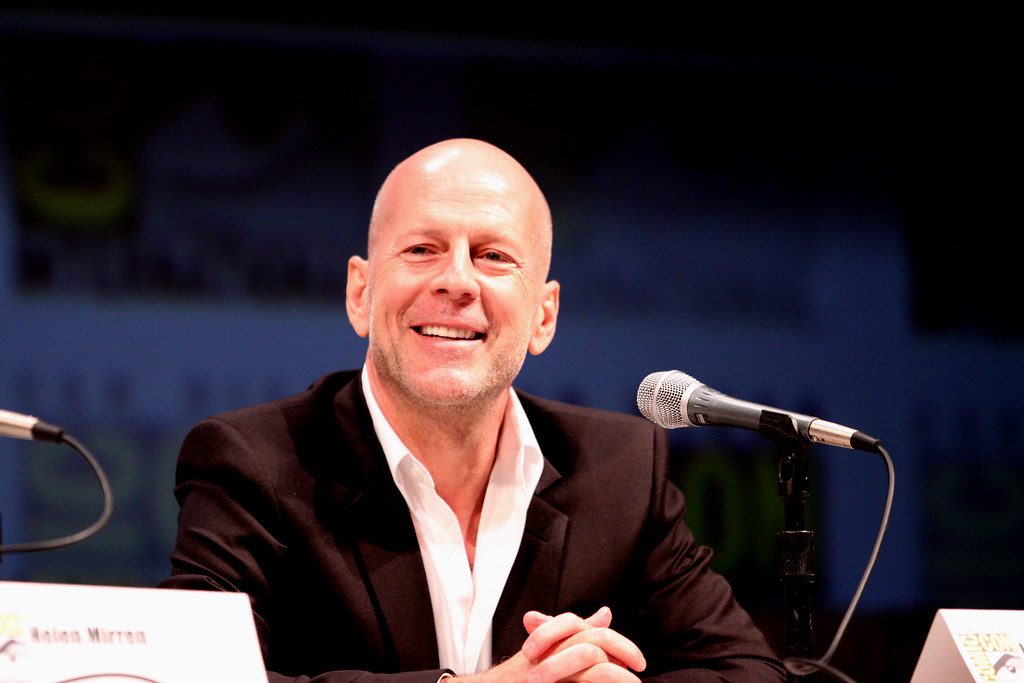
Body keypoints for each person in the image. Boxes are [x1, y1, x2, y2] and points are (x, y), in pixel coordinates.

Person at [158, 137, 787, 681]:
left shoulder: (619, 469)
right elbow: (189, 678)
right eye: (422, 250)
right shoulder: (252, 465)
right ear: (360, 293)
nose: (457, 280)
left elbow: (750, 671)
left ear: (544, 316)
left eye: (493, 256)